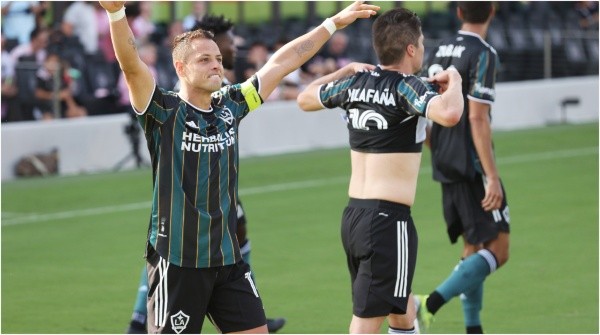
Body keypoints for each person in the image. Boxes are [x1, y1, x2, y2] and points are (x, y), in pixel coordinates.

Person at [100, 0, 378, 333]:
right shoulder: (163, 110)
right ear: (180, 67)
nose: (216, 65)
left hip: (227, 259)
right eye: (204, 60)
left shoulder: (231, 103)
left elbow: (283, 61)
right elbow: (131, 65)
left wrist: (333, 23)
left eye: (218, 59)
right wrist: (116, 13)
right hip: (179, 262)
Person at [297, 8, 463, 334]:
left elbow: (304, 98)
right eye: (422, 43)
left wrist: (343, 70)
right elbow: (451, 114)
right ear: (411, 49)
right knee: (365, 324)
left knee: (400, 309)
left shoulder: (354, 83)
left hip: (354, 217)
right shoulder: (407, 87)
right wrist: (455, 79)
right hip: (388, 221)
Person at [414, 2, 509, 334]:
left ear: (458, 13)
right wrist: (492, 176)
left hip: (443, 158)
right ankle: (427, 305)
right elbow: (477, 116)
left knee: (474, 247)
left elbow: (425, 107)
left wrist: (437, 145)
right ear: (492, 12)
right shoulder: (483, 53)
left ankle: (473, 329)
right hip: (471, 164)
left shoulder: (439, 48)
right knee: (499, 248)